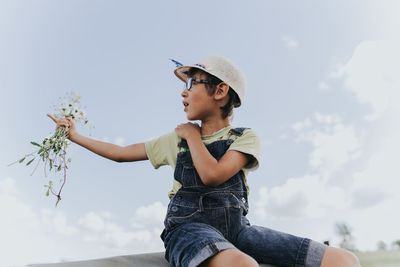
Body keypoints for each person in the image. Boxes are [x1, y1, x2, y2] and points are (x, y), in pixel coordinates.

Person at [48, 55, 360, 267]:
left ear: (220, 91)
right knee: (242, 264)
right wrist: (75, 136)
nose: (183, 93)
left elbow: (213, 175)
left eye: (192, 83)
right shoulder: (175, 140)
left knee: (344, 260)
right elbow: (119, 153)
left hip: (237, 231)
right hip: (188, 229)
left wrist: (193, 137)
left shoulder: (244, 137)